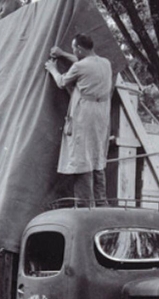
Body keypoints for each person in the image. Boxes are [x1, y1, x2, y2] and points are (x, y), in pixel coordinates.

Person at [45, 33, 113, 206]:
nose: (73, 51)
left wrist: (52, 68)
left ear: (80, 49)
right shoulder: (105, 63)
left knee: (82, 160)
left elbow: (61, 82)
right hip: (101, 114)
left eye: (75, 48)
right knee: (97, 158)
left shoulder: (80, 67)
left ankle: (84, 206)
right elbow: (82, 60)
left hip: (84, 114)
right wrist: (62, 53)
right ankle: (101, 203)